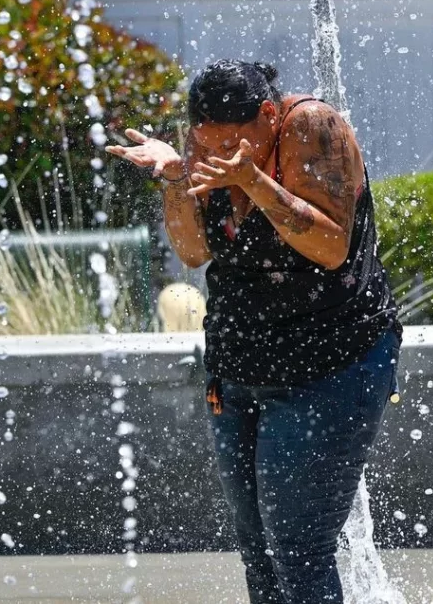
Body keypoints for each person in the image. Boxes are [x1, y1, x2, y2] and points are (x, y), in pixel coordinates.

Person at [107, 59, 401, 604]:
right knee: (257, 545)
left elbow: (332, 248)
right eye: (204, 143)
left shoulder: (313, 127)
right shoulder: (205, 140)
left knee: (299, 546)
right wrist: (175, 178)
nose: (215, 154)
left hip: (330, 364)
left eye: (230, 144)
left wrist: (252, 180)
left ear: (267, 115)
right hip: (239, 366)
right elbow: (194, 251)